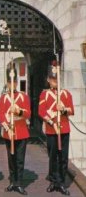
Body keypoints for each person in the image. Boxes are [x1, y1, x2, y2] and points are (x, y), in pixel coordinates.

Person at [38, 60, 74, 195]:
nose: (54, 81)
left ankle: (62, 182)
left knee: (63, 157)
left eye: (56, 79)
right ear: (48, 80)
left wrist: (63, 109)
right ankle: (54, 181)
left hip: (64, 128)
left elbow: (71, 110)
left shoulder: (65, 94)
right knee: (53, 156)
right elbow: (41, 111)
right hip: (52, 129)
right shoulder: (44, 94)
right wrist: (52, 121)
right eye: (52, 79)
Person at [0, 63, 31, 195]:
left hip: (21, 131)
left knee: (20, 159)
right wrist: (7, 127)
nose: (12, 84)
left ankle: (19, 183)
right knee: (11, 159)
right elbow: (0, 115)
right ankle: (12, 181)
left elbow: (28, 113)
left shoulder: (23, 96)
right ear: (7, 83)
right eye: (10, 82)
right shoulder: (4, 98)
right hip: (9, 132)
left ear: (16, 83)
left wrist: (18, 111)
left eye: (14, 82)